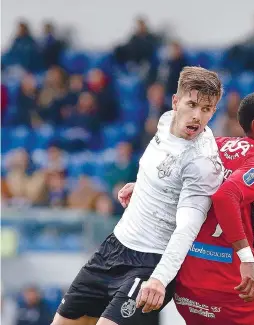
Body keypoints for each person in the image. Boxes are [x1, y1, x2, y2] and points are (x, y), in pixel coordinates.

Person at [52, 66, 224, 325]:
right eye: (192, 105)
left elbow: (187, 229)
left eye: (207, 109)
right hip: (115, 246)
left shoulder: (202, 163)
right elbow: (162, 168)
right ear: (176, 102)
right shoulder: (165, 122)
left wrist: (159, 279)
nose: (197, 117)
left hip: (151, 262)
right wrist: (144, 186)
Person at [118, 91, 254, 324]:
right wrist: (246, 259)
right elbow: (225, 196)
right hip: (227, 287)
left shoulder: (215, 145)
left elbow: (171, 170)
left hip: (185, 288)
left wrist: (141, 186)